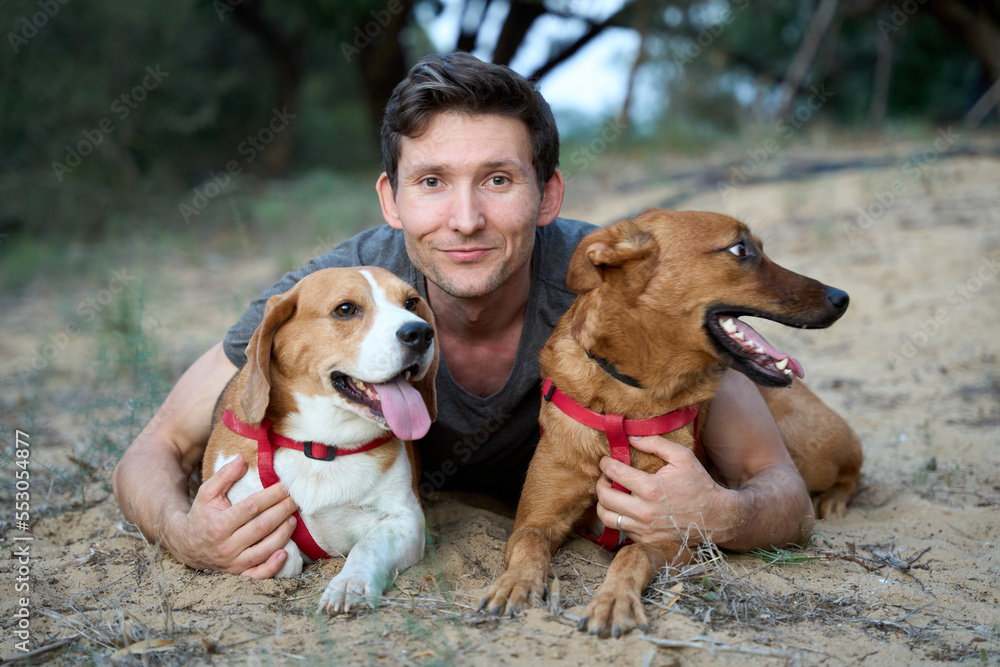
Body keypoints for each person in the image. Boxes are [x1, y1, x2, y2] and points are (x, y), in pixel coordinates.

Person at [112, 52, 814, 580]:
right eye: (432, 182)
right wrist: (185, 532)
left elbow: (780, 487)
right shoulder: (327, 298)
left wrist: (722, 512)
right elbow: (155, 448)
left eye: (499, 179)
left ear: (547, 194)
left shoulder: (621, 284)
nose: (467, 219)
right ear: (392, 199)